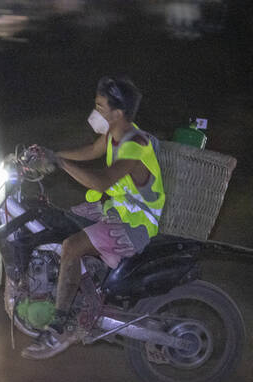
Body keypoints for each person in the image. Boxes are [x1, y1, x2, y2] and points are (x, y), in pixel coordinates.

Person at [21, 76, 166, 360]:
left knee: (71, 246)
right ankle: (80, 290)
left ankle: (57, 329)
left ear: (118, 113)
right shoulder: (115, 135)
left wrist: (61, 163)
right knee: (58, 222)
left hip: (134, 225)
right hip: (115, 212)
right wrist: (52, 154)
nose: (95, 111)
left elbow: (101, 182)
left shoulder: (136, 145)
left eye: (100, 106)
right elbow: (91, 151)